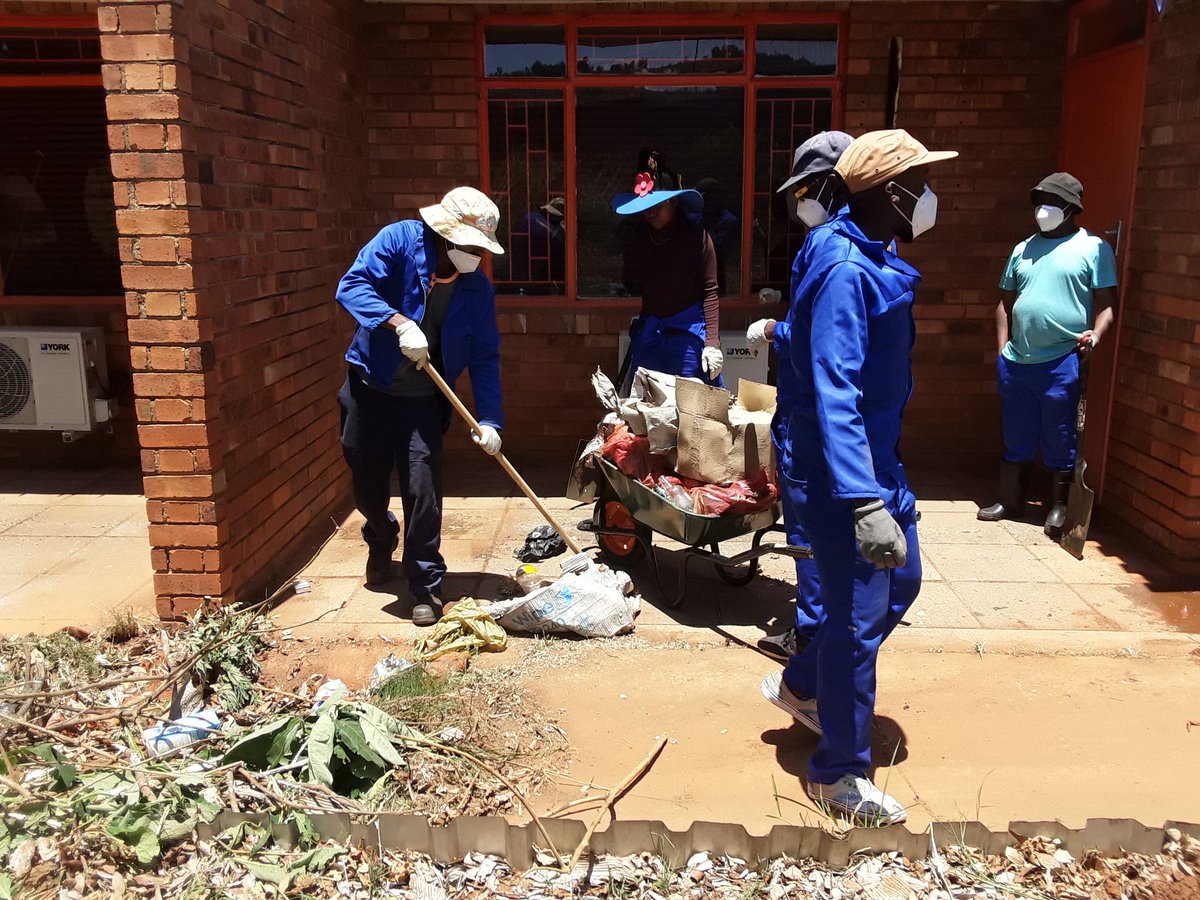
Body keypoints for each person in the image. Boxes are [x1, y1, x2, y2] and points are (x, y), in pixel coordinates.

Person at [758, 130, 957, 825]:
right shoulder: (845, 265)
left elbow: (817, 339)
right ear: (891, 192)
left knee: (901, 582)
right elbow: (834, 387)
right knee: (855, 617)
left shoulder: (867, 248)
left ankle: (803, 684)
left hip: (874, 456)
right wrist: (863, 500)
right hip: (842, 468)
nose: (930, 195)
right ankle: (839, 773)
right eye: (921, 184)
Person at [335, 187, 505, 627]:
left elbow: (484, 357)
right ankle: (381, 535)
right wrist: (397, 323)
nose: (477, 257)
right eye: (471, 247)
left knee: (423, 489)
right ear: (446, 236)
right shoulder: (399, 241)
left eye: (481, 250)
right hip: (369, 389)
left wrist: (490, 420)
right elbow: (351, 286)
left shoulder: (476, 289)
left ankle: (425, 584)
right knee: (367, 483)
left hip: (423, 402)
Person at [746, 131, 854, 662]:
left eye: (806, 189)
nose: (799, 200)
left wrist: (774, 330)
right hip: (836, 409)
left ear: (834, 184)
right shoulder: (866, 239)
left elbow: (817, 338)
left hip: (811, 409)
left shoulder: (829, 245)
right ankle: (833, 624)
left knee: (809, 525)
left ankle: (811, 637)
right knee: (832, 527)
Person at [977, 173, 1117, 536]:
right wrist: (1002, 349)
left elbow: (1106, 304)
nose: (1043, 209)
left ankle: (1058, 507)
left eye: (1052, 203)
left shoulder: (1093, 248)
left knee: (1060, 434)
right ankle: (1010, 501)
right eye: (1039, 202)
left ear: (1071, 208)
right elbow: (1005, 303)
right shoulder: (1023, 248)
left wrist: (1096, 334)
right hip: (1017, 360)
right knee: (1016, 432)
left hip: (1061, 359)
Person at [613, 149, 723, 387]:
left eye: (657, 205)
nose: (650, 212)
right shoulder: (640, 237)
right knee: (644, 402)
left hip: (687, 331)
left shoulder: (697, 236)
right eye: (646, 206)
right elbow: (633, 281)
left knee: (689, 402)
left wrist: (712, 342)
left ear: (673, 201)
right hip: (652, 331)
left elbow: (710, 290)